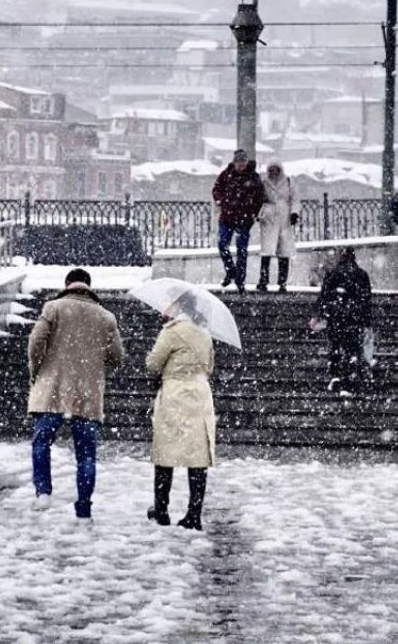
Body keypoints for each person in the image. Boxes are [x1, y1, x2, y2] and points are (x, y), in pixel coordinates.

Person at [27, 268, 125, 520]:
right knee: (86, 454)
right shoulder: (106, 316)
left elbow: (36, 343)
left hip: (53, 388)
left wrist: (37, 370)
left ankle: (43, 492)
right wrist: (93, 361)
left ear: (67, 284)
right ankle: (83, 507)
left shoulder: (53, 308)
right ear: (89, 286)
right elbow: (117, 356)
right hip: (87, 392)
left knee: (41, 442)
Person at [144, 292, 216, 531]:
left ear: (177, 307)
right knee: (198, 455)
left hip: (174, 393)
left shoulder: (171, 331)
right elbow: (209, 366)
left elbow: (153, 364)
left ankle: (161, 510)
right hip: (199, 394)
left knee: (166, 451)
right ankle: (194, 514)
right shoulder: (205, 332)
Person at [313, 246, 374, 391]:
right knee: (352, 347)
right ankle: (351, 374)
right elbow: (366, 299)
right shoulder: (361, 274)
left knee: (335, 346)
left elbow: (324, 296)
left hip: (335, 316)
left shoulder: (332, 273)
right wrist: (367, 321)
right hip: (354, 317)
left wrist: (319, 315)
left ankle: (336, 375)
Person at [212, 150, 265, 293]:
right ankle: (231, 271)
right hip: (227, 217)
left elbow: (260, 196)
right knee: (222, 243)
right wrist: (222, 201)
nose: (241, 166)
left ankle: (240, 280)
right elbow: (216, 189)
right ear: (234, 163)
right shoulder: (226, 174)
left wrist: (253, 213)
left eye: (243, 163)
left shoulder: (253, 177)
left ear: (246, 162)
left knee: (242, 250)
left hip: (245, 218)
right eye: (239, 163)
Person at [257, 162, 301, 292]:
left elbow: (295, 199)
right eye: (271, 170)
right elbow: (258, 198)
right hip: (269, 218)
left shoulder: (288, 181)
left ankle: (282, 282)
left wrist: (294, 213)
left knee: (284, 251)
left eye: (276, 170)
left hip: (284, 218)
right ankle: (263, 280)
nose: (274, 172)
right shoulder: (264, 182)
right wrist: (259, 213)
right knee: (266, 251)